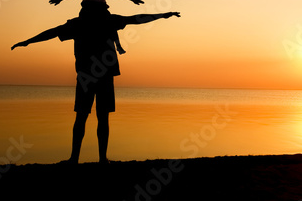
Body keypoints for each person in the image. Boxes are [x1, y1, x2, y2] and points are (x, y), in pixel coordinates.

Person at [11, 11, 180, 164]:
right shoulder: (108, 20)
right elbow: (135, 19)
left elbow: (53, 32)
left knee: (83, 116)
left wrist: (28, 42)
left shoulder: (79, 23)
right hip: (102, 74)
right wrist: (162, 15)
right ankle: (98, 159)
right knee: (99, 117)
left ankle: (78, 158)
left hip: (87, 75)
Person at [49, 0, 144, 54]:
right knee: (111, 24)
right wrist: (133, 0)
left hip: (86, 9)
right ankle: (118, 46)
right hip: (99, 9)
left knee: (82, 23)